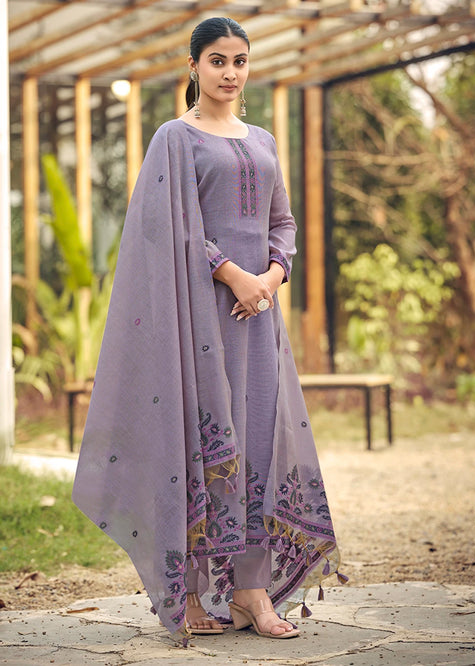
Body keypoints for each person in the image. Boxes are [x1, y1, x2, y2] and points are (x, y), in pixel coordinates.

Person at [72, 16, 343, 642]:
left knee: (257, 443)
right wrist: (233, 275)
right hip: (196, 318)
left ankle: (251, 592)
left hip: (258, 322)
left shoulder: (263, 141)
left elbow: (283, 222)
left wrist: (271, 276)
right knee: (198, 440)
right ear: (193, 65)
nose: (230, 73)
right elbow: (170, 227)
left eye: (239, 61)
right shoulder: (175, 138)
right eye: (217, 60)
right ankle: (191, 591)